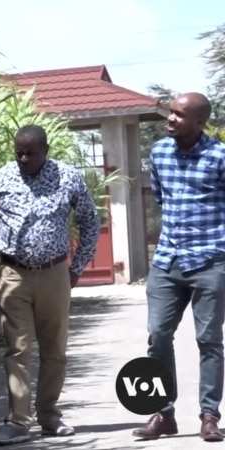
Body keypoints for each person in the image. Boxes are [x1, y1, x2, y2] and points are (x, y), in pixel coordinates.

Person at [0, 124, 100, 446]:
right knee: (17, 349)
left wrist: (77, 268)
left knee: (54, 349)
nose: (23, 158)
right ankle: (17, 422)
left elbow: (90, 221)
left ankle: (49, 416)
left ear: (45, 151)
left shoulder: (67, 178)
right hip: (13, 275)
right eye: (19, 152)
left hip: (55, 273)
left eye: (30, 153)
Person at [132, 92, 225, 443]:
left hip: (210, 262)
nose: (170, 119)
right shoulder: (159, 153)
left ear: (199, 122)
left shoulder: (219, 157)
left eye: (180, 115)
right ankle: (163, 414)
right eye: (170, 113)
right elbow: (160, 195)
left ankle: (209, 415)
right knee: (158, 336)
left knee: (209, 340)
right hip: (167, 261)